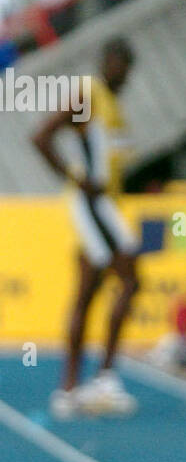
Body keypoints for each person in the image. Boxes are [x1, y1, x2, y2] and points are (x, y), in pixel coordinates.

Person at [31, 37, 140, 418]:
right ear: (110, 62)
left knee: (89, 291)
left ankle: (71, 388)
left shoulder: (112, 104)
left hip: (104, 204)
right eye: (124, 67)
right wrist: (76, 179)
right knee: (129, 279)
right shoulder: (87, 96)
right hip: (91, 204)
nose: (128, 76)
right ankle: (102, 378)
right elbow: (41, 136)